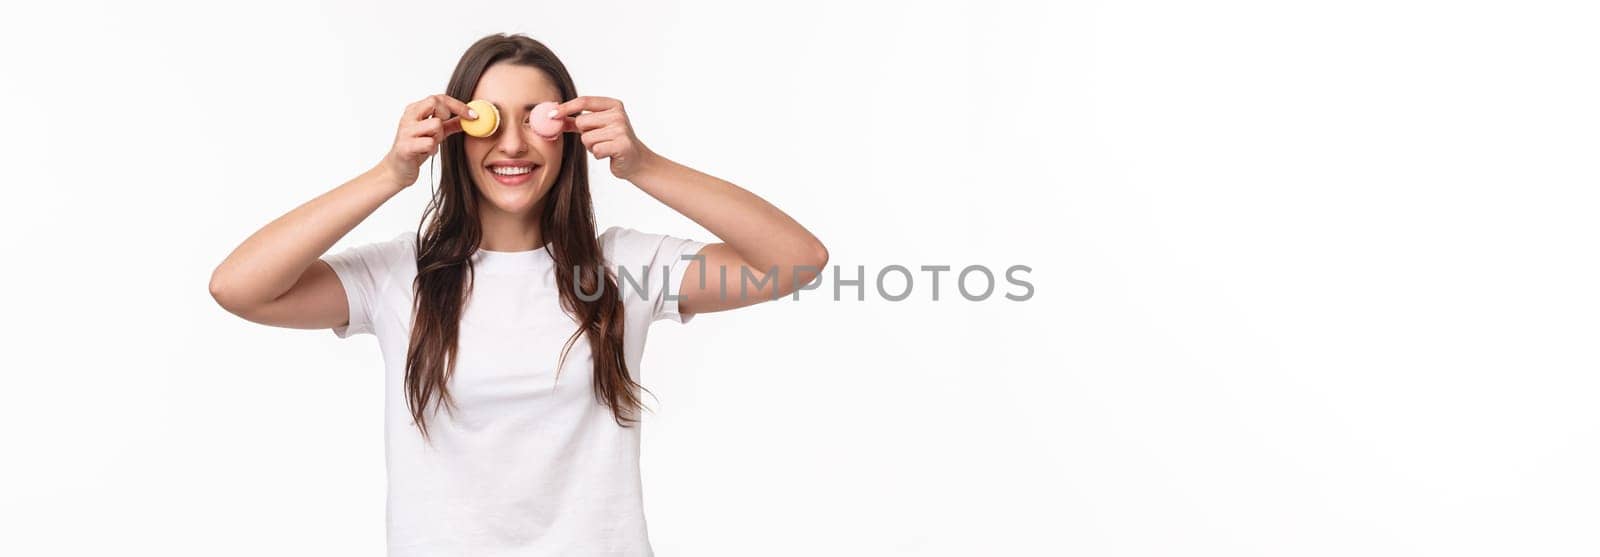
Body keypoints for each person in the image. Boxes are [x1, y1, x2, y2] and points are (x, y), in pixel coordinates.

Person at [208, 33, 827, 556]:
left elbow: (797, 261)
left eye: (536, 118)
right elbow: (239, 288)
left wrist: (642, 164)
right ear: (455, 132)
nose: (510, 145)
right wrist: (390, 172)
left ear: (569, 131)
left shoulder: (624, 268)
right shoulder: (401, 275)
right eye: (489, 119)